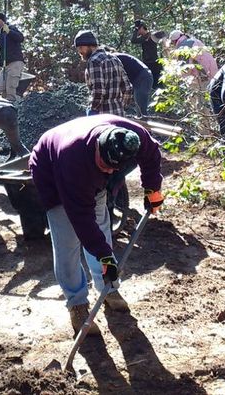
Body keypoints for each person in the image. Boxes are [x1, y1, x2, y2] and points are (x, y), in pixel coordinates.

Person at [29, 115, 165, 335]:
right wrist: (105, 255)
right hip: (52, 172)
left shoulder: (132, 136)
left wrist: (153, 188)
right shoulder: (73, 159)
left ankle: (108, 289)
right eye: (106, 166)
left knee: (102, 227)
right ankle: (77, 304)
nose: (110, 171)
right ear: (99, 149)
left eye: (114, 169)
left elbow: (151, 154)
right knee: (68, 243)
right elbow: (81, 218)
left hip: (88, 172)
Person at [74, 30, 132, 116]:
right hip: (119, 115)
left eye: (81, 47)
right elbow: (127, 88)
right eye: (78, 48)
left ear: (91, 45)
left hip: (102, 118)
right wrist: (121, 106)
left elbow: (99, 91)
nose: (79, 51)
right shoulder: (115, 58)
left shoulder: (94, 61)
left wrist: (93, 110)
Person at [0, 12, 26, 102]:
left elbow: (20, 38)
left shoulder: (11, 29)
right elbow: (3, 51)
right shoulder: (1, 35)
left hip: (15, 62)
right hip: (5, 64)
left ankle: (13, 106)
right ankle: (6, 105)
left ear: (3, 20)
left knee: (10, 89)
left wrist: (9, 32)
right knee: (0, 87)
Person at [113, 51, 154, 118]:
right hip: (140, 77)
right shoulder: (115, 57)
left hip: (143, 77)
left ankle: (145, 126)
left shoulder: (113, 58)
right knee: (138, 108)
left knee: (141, 111)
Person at [131, 20, 162, 87]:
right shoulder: (144, 37)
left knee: (158, 83)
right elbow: (133, 40)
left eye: (138, 29)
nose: (137, 31)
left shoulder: (149, 36)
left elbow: (163, 33)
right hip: (148, 63)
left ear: (142, 28)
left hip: (154, 63)